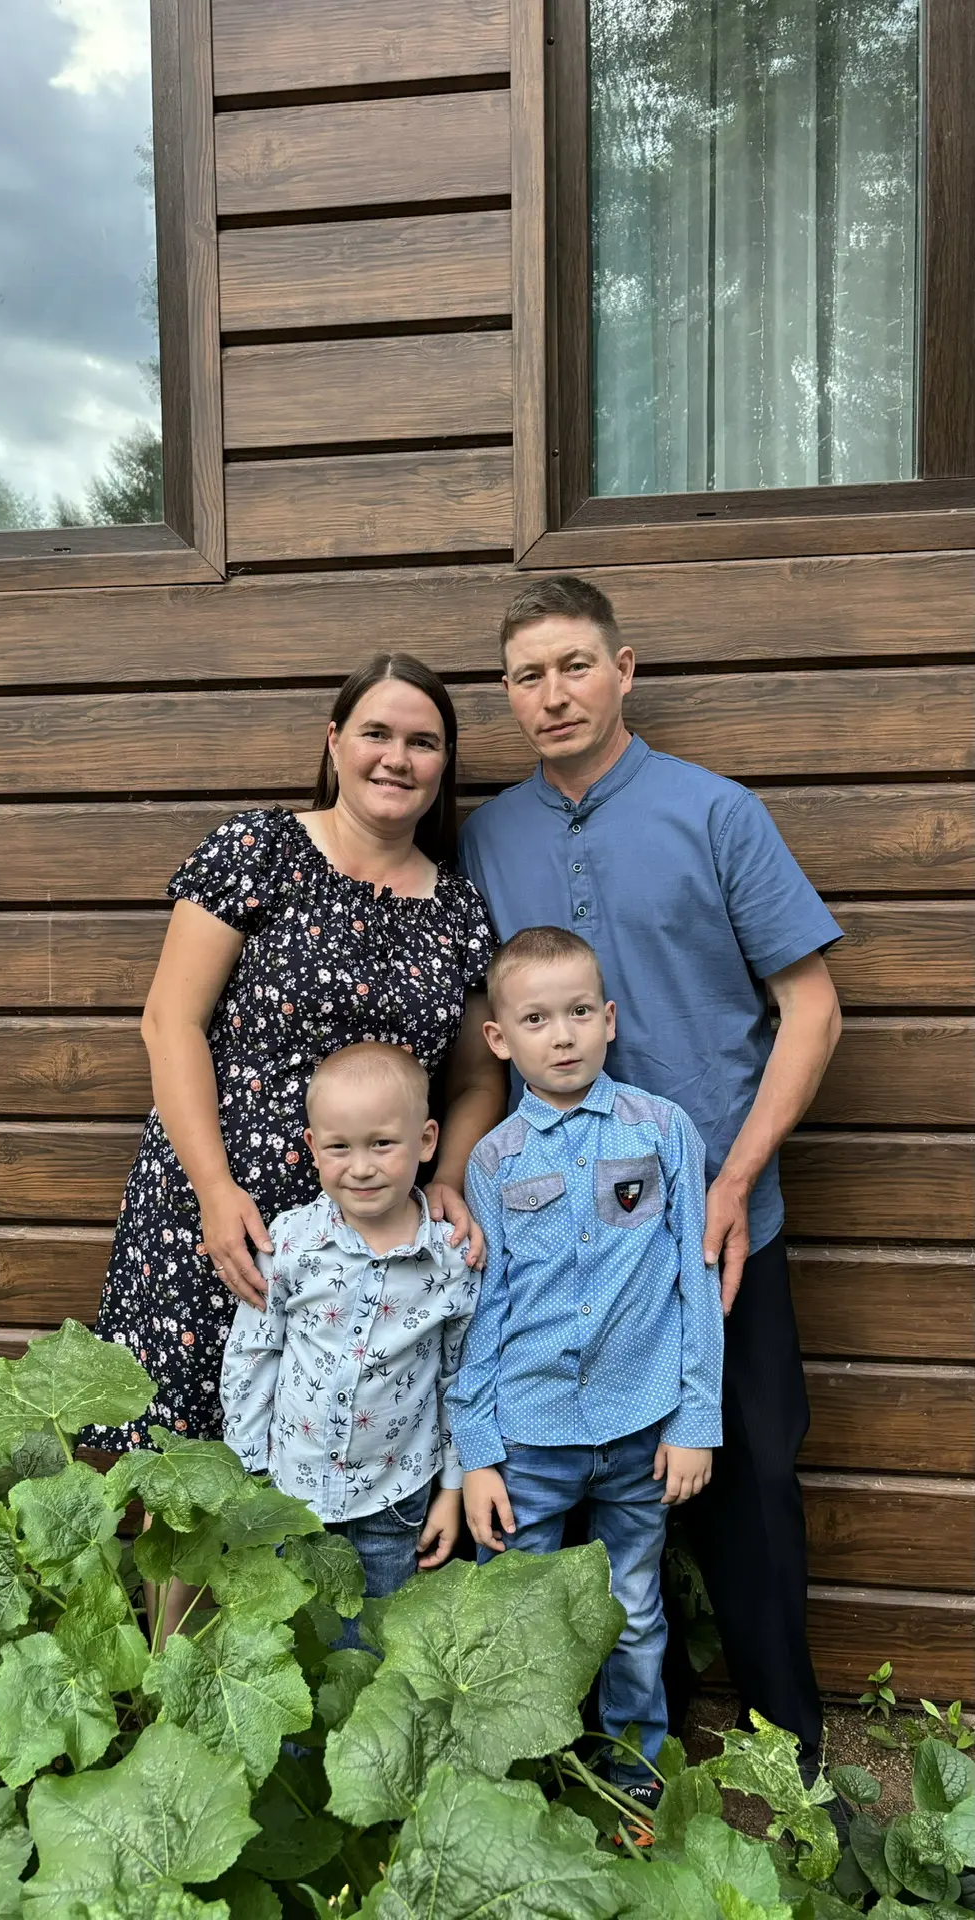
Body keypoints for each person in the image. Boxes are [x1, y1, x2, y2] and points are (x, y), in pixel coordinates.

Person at [459, 575, 843, 1767]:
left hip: (718, 1230)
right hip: (554, 1246)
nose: (554, 693)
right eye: (528, 675)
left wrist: (733, 1181)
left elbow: (813, 1006)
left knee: (749, 1483)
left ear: (623, 670)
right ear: (508, 693)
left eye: (576, 664)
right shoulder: (486, 837)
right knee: (583, 1508)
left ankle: (791, 1757)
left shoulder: (716, 813)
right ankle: (623, 1755)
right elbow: (478, 1033)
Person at [88, 653, 504, 1626]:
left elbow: (479, 1075)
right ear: (334, 741)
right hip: (224, 1211)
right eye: (376, 733)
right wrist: (213, 1190)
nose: (396, 757)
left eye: (423, 742)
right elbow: (171, 1023)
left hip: (371, 1228)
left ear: (443, 765)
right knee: (196, 1462)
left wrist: (448, 1175)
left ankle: (316, 1690)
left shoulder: (457, 910)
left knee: (351, 1460)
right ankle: (181, 1679)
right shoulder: (258, 851)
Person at [447, 927, 722, 1805]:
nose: (560, 1036)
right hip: (527, 1441)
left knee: (633, 1613)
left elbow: (696, 1281)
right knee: (517, 1614)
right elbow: (480, 1314)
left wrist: (695, 1420)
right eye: (535, 1019)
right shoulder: (494, 1160)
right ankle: (519, 1782)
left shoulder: (663, 1131)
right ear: (500, 1039)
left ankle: (632, 1780)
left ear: (608, 1019)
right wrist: (477, 1454)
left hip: (642, 1431)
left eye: (577, 1013)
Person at [221, 1042, 477, 1621]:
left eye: (382, 1144)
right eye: (340, 1147)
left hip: (395, 1499)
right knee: (289, 1636)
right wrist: (247, 1474)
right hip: (289, 1492)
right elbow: (253, 1355)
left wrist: (453, 1489)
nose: (361, 1167)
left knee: (372, 1645)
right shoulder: (290, 1243)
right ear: (313, 1147)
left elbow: (460, 1378)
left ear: (427, 1141)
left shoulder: (451, 1259)